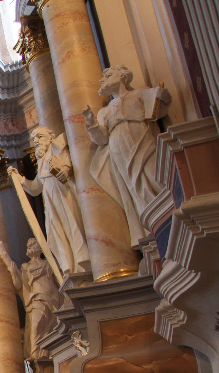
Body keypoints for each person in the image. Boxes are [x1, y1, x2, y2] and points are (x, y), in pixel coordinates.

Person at [83, 65, 172, 245]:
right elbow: (101, 139)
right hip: (118, 147)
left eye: (108, 75)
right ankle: (152, 227)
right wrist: (92, 123)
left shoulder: (139, 93)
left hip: (141, 136)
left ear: (123, 76)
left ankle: (170, 213)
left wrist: (162, 96)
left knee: (153, 173)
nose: (103, 80)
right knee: (133, 185)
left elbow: (159, 107)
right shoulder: (105, 111)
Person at [9, 127, 91, 276]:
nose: (37, 141)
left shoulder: (57, 150)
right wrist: (20, 179)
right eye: (34, 139)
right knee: (55, 232)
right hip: (50, 202)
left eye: (40, 137)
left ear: (51, 137)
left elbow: (66, 169)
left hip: (64, 196)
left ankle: (82, 262)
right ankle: (68, 266)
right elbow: (35, 188)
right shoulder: (40, 162)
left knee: (72, 225)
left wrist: (64, 172)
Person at [0, 238, 65, 360]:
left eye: (33, 244)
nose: (30, 246)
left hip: (53, 299)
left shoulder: (48, 264)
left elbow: (58, 282)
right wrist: (10, 266)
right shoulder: (26, 266)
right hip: (36, 298)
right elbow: (20, 284)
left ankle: (51, 352)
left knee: (53, 326)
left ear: (41, 248)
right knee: (36, 324)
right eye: (28, 245)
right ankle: (35, 353)